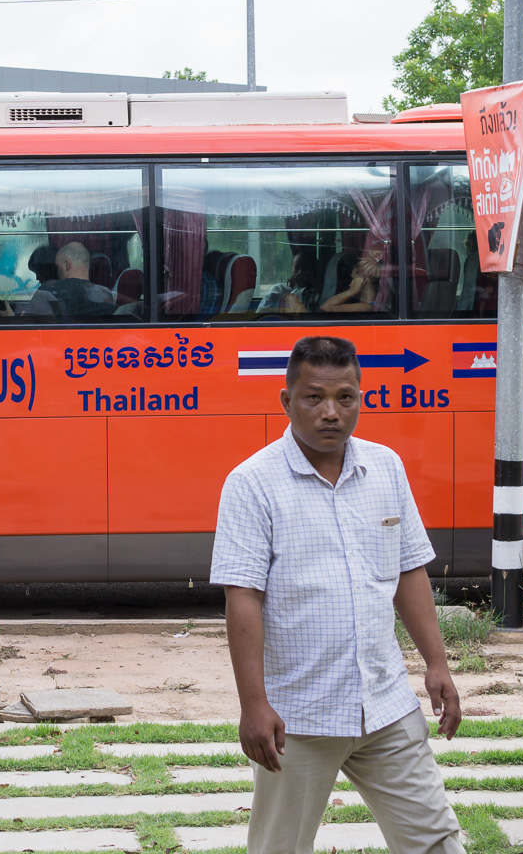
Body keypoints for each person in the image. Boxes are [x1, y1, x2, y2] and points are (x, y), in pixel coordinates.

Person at [211, 335, 462, 854]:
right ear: (287, 401)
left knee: (436, 841)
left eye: (345, 397)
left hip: (386, 703)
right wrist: (253, 705)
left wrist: (436, 663)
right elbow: (244, 599)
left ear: (361, 397)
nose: (331, 412)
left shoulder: (385, 467)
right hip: (299, 716)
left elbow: (409, 571)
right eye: (314, 398)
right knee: (278, 848)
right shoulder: (252, 484)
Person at [24, 242, 116, 318]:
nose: (37, 278)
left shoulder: (44, 292)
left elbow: (26, 327)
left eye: (38, 272)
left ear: (66, 265)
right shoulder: (105, 293)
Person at [321, 250, 382, 314]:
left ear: (363, 279)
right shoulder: (365, 302)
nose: (350, 283)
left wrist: (352, 291)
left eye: (353, 279)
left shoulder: (367, 306)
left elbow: (326, 307)